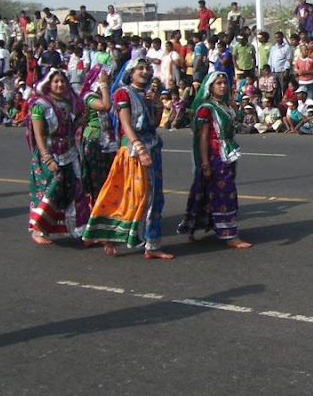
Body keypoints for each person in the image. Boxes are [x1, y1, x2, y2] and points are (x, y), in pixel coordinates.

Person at [82, 58, 173, 259]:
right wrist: (140, 149)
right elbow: (126, 124)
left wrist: (157, 102)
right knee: (133, 197)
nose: (145, 72)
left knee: (155, 196)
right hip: (134, 149)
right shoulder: (123, 93)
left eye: (147, 69)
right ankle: (111, 235)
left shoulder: (147, 94)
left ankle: (152, 244)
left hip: (152, 146)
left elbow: (154, 123)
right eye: (139, 68)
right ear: (130, 73)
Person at [177, 71, 251, 248]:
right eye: (218, 83)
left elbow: (238, 121)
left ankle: (195, 226)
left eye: (224, 83)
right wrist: (204, 162)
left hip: (228, 152)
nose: (222, 86)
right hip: (214, 155)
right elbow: (202, 136)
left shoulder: (225, 106)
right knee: (224, 193)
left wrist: (234, 106)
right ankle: (229, 234)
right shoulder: (206, 109)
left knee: (207, 190)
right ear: (210, 87)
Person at [26, 68, 90, 245]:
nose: (60, 84)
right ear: (49, 84)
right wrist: (47, 158)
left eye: (62, 81)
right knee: (50, 192)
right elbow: (38, 135)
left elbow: (71, 127)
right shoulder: (40, 105)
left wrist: (80, 121)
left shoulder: (69, 103)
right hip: (50, 153)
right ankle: (38, 229)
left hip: (69, 152)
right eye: (56, 81)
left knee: (75, 189)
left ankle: (78, 228)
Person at [79, 65, 118, 206]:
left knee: (109, 177)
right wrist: (103, 85)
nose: (108, 79)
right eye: (105, 76)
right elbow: (104, 106)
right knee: (97, 179)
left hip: (109, 140)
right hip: (95, 140)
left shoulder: (107, 94)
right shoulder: (89, 96)